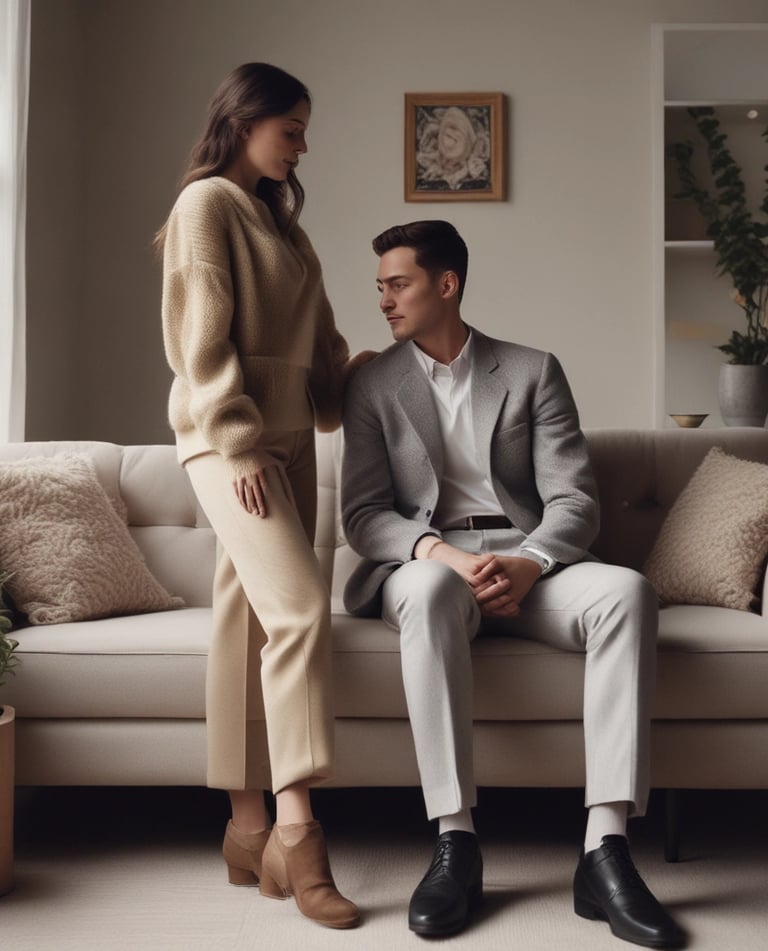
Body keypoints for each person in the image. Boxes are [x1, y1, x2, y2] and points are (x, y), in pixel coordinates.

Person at [341, 220, 686, 947]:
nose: (384, 300)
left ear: (447, 284)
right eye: (379, 286)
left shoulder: (532, 369)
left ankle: (605, 849)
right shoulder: (372, 384)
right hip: (430, 566)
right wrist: (436, 551)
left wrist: (530, 561)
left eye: (397, 283)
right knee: (431, 592)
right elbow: (365, 515)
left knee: (626, 592)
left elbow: (575, 500)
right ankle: (455, 841)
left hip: (529, 560)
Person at [158, 62, 367, 930]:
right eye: (292, 129)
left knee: (246, 623)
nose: (303, 145)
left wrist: (377, 377)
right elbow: (198, 339)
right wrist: (238, 438)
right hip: (228, 439)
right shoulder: (206, 205)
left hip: (284, 438)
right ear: (245, 123)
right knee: (301, 610)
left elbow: (322, 351)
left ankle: (245, 830)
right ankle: (297, 831)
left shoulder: (287, 227)